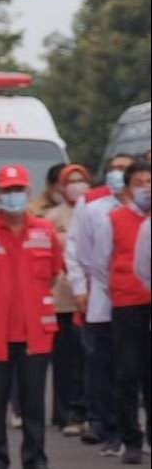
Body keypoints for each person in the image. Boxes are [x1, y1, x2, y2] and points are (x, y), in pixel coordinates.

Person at [0, 165, 63, 469]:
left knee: (33, 405)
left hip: (35, 332)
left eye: (18, 190)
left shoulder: (45, 232)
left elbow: (54, 274)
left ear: (28, 193)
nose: (13, 196)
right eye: (7, 190)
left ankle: (35, 460)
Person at [67, 152, 136, 452]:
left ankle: (131, 430)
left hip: (136, 301)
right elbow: (78, 250)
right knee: (102, 367)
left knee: (132, 370)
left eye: (124, 169)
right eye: (113, 169)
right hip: (101, 298)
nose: (118, 174)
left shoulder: (141, 209)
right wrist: (81, 287)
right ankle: (106, 427)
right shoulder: (93, 204)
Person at [94, 160, 151, 464]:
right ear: (128, 189)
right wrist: (120, 289)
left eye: (150, 182)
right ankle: (131, 438)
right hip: (127, 305)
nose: (147, 188)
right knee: (128, 373)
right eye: (140, 183)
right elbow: (100, 265)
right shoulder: (113, 220)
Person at [27, 163, 90, 435]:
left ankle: (86, 411)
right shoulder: (51, 218)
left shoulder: (95, 213)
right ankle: (64, 412)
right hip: (61, 298)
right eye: (71, 181)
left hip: (91, 299)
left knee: (88, 358)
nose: (76, 185)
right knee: (64, 360)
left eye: (81, 180)